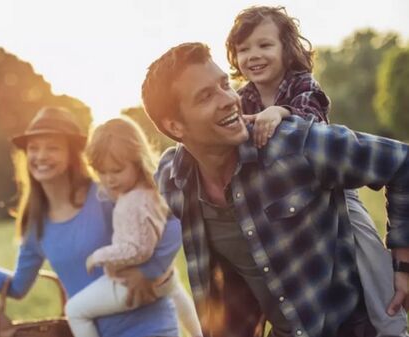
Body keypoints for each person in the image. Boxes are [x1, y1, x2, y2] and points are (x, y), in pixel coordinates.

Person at [141, 42, 409, 337]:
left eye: (224, 85)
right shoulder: (174, 179)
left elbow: (402, 164)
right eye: (206, 96)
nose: (229, 100)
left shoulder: (292, 145)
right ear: (175, 126)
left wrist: (403, 261)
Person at [225, 5, 407, 336]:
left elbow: (312, 123)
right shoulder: (241, 100)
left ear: (286, 48)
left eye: (264, 45)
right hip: (277, 200)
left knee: (365, 245)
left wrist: (280, 111)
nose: (253, 55)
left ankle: (391, 322)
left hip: (331, 190)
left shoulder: (303, 84)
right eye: (243, 49)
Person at [0, 106, 180, 337]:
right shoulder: (35, 225)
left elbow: (172, 220)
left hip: (149, 326)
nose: (41, 156)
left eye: (52, 148)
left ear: (72, 155)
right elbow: (17, 287)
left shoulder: (104, 194)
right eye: (34, 148)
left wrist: (150, 269)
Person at [65, 117, 202, 337]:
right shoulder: (154, 190)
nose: (108, 180)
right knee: (176, 289)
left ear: (137, 162)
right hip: (164, 280)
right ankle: (200, 333)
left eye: (116, 170)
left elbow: (136, 250)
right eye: (102, 171)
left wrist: (99, 256)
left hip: (129, 285)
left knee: (75, 310)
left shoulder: (131, 203)